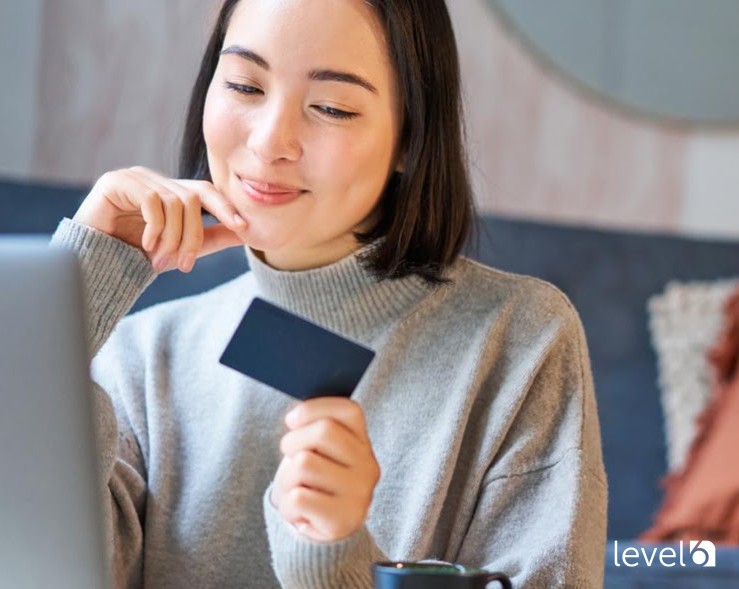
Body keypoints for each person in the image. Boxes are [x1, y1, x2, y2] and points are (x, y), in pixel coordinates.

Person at [49, 0, 607, 587]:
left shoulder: (519, 341)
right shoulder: (142, 357)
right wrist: (73, 294)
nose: (269, 143)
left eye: (332, 107)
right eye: (244, 84)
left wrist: (332, 557)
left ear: (410, 140)